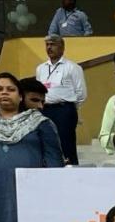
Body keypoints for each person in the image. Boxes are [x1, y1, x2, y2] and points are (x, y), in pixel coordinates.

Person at [0, 72, 63, 222]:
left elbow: (54, 163)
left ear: (20, 97)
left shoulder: (41, 123)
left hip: (29, 191)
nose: (4, 92)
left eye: (10, 89)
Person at [36, 35, 86, 165]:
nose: (49, 47)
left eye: (52, 44)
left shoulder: (73, 67)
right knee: (45, 141)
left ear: (62, 47)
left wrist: (70, 108)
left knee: (66, 143)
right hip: (45, 109)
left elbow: (81, 93)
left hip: (64, 110)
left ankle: (71, 172)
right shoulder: (41, 68)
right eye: (47, 44)